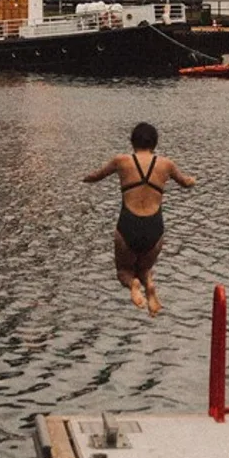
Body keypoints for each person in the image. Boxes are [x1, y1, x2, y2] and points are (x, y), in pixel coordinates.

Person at [83, 123, 196, 316]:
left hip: (129, 224)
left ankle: (133, 285)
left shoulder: (121, 161)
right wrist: (192, 180)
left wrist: (84, 178)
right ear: (155, 143)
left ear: (132, 142)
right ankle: (148, 284)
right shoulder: (166, 164)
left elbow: (97, 175)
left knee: (123, 272)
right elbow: (185, 183)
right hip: (154, 227)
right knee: (145, 268)